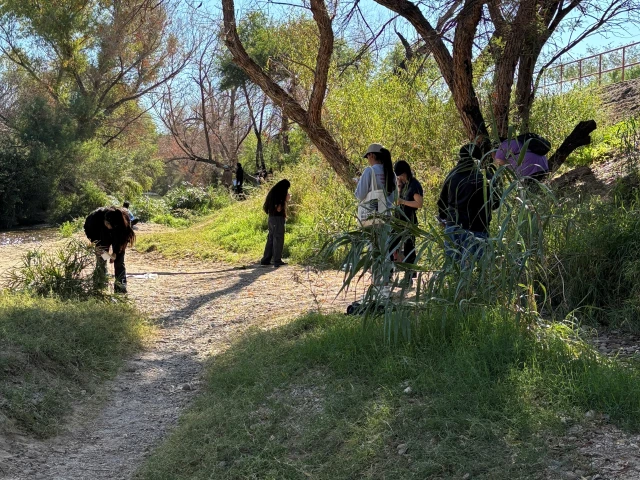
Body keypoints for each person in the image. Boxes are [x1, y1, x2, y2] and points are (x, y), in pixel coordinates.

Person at [438, 143, 500, 265]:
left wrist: (445, 219)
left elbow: (442, 203)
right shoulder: (486, 177)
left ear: (461, 157)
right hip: (477, 229)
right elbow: (496, 203)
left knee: (452, 269)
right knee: (472, 273)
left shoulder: (452, 176)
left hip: (453, 228)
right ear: (480, 158)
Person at [355, 143, 397, 295]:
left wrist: (358, 183)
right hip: (386, 217)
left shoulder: (369, 171)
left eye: (367, 157)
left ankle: (377, 282)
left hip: (372, 218)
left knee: (374, 250)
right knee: (385, 249)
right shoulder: (391, 174)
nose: (368, 160)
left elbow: (359, 195)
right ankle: (386, 282)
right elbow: (394, 198)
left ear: (372, 155)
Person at [84, 206, 136, 293]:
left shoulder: (123, 223)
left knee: (119, 261)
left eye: (109, 225)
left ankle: (120, 287)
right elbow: (88, 230)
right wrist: (96, 244)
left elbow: (124, 239)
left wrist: (115, 252)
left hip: (118, 236)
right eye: (106, 224)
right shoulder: (95, 218)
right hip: (100, 233)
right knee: (102, 259)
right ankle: (100, 285)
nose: (107, 225)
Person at [393, 160, 424, 279]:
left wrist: (403, 202)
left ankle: (409, 276)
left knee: (409, 248)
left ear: (405, 172)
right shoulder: (404, 184)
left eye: (401, 174)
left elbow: (419, 203)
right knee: (392, 245)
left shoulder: (414, 185)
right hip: (398, 220)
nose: (399, 177)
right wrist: (399, 186)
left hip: (409, 220)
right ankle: (389, 273)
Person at [260, 179, 291, 268]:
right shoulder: (279, 196)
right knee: (278, 239)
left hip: (271, 219)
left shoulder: (273, 193)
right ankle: (277, 260)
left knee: (271, 239)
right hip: (277, 219)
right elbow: (278, 209)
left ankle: (266, 260)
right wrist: (286, 199)